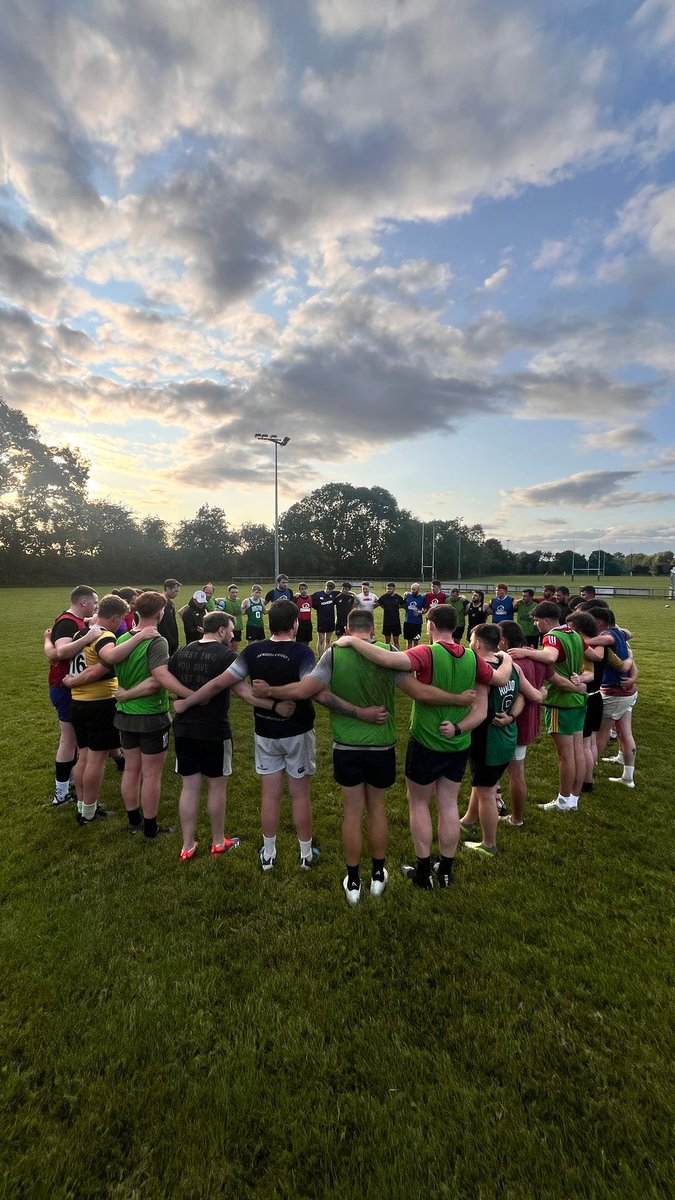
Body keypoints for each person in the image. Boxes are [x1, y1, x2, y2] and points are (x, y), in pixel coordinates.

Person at [254, 606, 473, 904]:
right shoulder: (388, 651)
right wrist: (458, 700)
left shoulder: (334, 653)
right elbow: (420, 693)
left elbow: (308, 690)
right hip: (382, 746)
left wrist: (271, 691)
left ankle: (354, 879)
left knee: (353, 813)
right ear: (373, 630)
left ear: (346, 630)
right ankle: (379, 875)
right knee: (378, 809)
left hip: (347, 746)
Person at [336, 604, 513, 889]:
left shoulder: (427, 652)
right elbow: (500, 679)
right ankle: (445, 871)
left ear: (430, 625)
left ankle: (422, 872)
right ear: (456, 626)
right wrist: (506, 658)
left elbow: (388, 660)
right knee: (448, 805)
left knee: (419, 803)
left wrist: (353, 640)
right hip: (458, 744)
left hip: (426, 741)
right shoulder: (472, 657)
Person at [173, 600, 321, 870]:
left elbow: (219, 683)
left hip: (264, 732)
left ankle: (268, 853)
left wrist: (187, 702)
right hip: (297, 731)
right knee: (300, 795)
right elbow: (307, 688)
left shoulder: (253, 651)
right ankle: (305, 854)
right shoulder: (302, 652)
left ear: (268, 623)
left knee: (270, 794)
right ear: (296, 624)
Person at [63, 595, 160, 825]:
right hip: (98, 703)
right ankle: (88, 811)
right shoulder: (104, 636)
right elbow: (112, 656)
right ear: (116, 617)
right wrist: (140, 636)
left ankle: (82, 805)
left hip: (78, 702)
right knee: (95, 759)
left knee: (84, 756)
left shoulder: (81, 634)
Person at [114, 591, 194, 842]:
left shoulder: (123, 639)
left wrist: (126, 695)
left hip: (125, 717)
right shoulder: (157, 641)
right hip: (150, 715)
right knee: (151, 775)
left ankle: (133, 821)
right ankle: (150, 829)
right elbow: (156, 681)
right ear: (160, 613)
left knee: (131, 770)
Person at [509, 601, 587, 813]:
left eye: (536, 620)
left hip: (560, 701)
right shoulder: (574, 634)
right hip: (578, 701)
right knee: (578, 751)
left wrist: (527, 652)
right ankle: (573, 798)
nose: (536, 625)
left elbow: (550, 656)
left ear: (546, 620)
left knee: (566, 755)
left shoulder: (552, 636)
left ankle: (563, 799)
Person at [458, 624, 523, 857]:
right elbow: (525, 695)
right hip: (506, 737)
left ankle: (488, 845)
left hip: (487, 739)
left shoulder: (482, 669)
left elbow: (478, 707)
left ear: (477, 644)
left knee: (486, 791)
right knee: (483, 783)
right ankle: (467, 821)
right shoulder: (512, 667)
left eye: (471, 640)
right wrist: (512, 717)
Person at [45, 585, 101, 806]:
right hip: (63, 686)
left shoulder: (77, 621)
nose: (96, 607)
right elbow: (61, 652)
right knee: (69, 739)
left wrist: (89, 626)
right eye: (94, 603)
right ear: (83, 602)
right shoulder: (67, 622)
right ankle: (61, 793)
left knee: (75, 740)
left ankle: (67, 785)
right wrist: (88, 638)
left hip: (70, 686)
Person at [496, 621, 552, 826]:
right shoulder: (535, 656)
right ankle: (504, 808)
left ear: (504, 640)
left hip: (510, 723)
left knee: (507, 770)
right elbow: (548, 681)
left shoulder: (509, 662)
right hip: (529, 722)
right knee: (513, 769)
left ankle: (512, 815)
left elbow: (527, 693)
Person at [587, 606, 638, 788]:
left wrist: (580, 638)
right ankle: (628, 777)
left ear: (599, 622)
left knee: (601, 734)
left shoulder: (608, 636)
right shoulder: (620, 633)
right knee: (625, 733)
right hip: (628, 693)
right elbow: (628, 634)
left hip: (615, 693)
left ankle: (589, 773)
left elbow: (600, 639)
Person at [311, 580, 339, 655]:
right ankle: (320, 657)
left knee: (328, 640)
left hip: (330, 620)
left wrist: (352, 594)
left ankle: (326, 657)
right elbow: (307, 598)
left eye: (331, 589)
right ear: (325, 586)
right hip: (321, 621)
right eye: (328, 588)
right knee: (321, 640)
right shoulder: (317, 594)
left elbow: (344, 592)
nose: (329, 590)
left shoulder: (334, 594)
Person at [375, 583, 405, 648]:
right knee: (387, 642)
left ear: (394, 589)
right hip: (386, 622)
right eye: (387, 589)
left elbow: (403, 605)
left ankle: (397, 655)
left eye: (390, 589)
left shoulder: (398, 597)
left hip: (396, 622)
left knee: (396, 641)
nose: (388, 590)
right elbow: (378, 604)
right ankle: (387, 655)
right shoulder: (383, 597)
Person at [157, 579, 181, 656]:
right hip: (163, 641)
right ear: (167, 589)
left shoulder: (170, 603)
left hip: (172, 641)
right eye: (175, 591)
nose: (177, 594)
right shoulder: (159, 603)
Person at [403, 582, 425, 649]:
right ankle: (408, 655)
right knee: (409, 641)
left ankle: (415, 656)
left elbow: (426, 609)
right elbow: (403, 605)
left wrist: (420, 612)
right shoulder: (408, 596)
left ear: (418, 589)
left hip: (417, 623)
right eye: (411, 589)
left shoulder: (422, 598)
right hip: (408, 622)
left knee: (416, 641)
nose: (412, 591)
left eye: (414, 589)